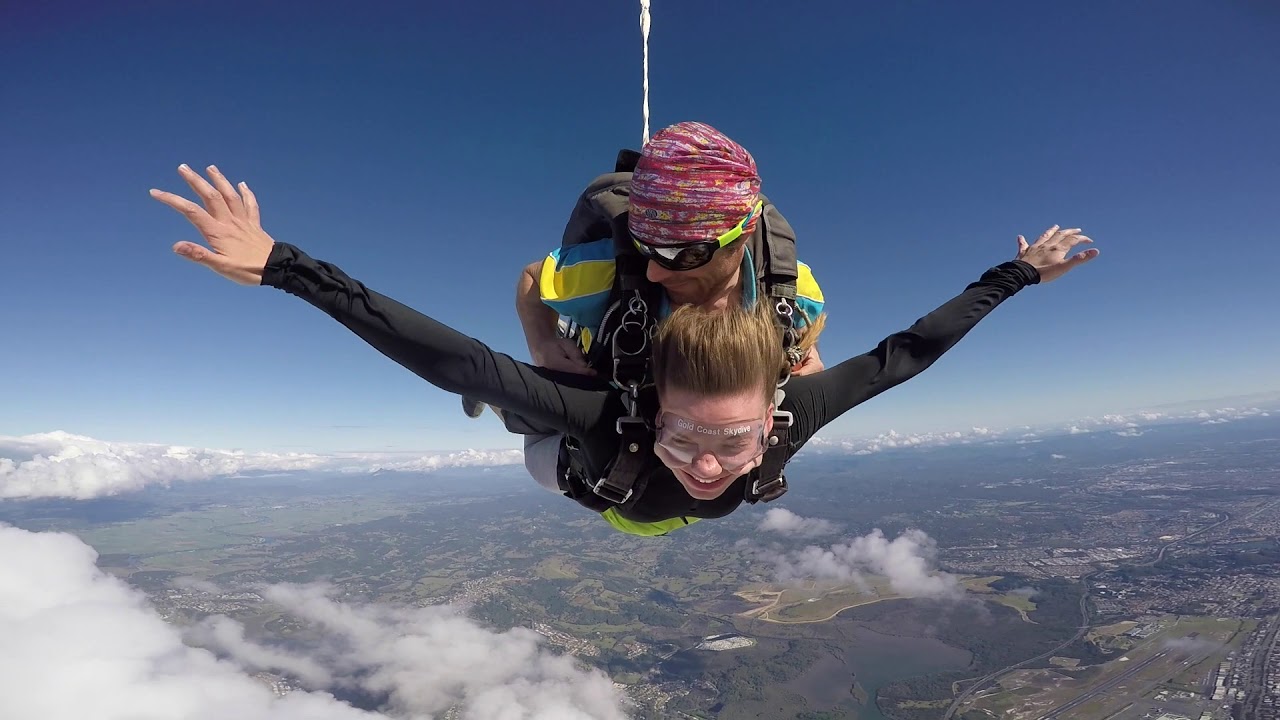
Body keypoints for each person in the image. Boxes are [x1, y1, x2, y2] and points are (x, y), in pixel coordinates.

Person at [149, 164, 1099, 536]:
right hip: (576, 462)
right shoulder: (616, 419)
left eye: (731, 446)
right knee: (524, 401)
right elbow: (447, 357)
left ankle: (782, 343)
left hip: (695, 405)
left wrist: (1021, 274)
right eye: (693, 439)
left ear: (773, 415)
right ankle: (543, 370)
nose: (709, 466)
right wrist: (282, 266)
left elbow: (912, 351)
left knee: (812, 347)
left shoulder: (789, 410)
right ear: (658, 408)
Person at [483, 121, 830, 492]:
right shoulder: (605, 271)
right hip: (612, 397)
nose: (653, 271)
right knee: (537, 432)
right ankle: (487, 399)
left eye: (684, 255)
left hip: (691, 432)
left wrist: (804, 352)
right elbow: (533, 279)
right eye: (644, 247)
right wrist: (543, 344)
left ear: (745, 231)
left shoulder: (791, 291)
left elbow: (800, 330)